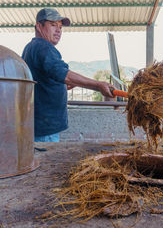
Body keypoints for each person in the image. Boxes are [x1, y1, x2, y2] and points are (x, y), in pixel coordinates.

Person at [22, 8, 115, 142]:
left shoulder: (31, 47)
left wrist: (60, 86)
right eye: (53, 25)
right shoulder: (43, 47)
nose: (58, 30)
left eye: (60, 27)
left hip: (38, 125)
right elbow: (64, 75)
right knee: (46, 161)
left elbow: (42, 81)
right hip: (45, 129)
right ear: (39, 26)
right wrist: (98, 85)